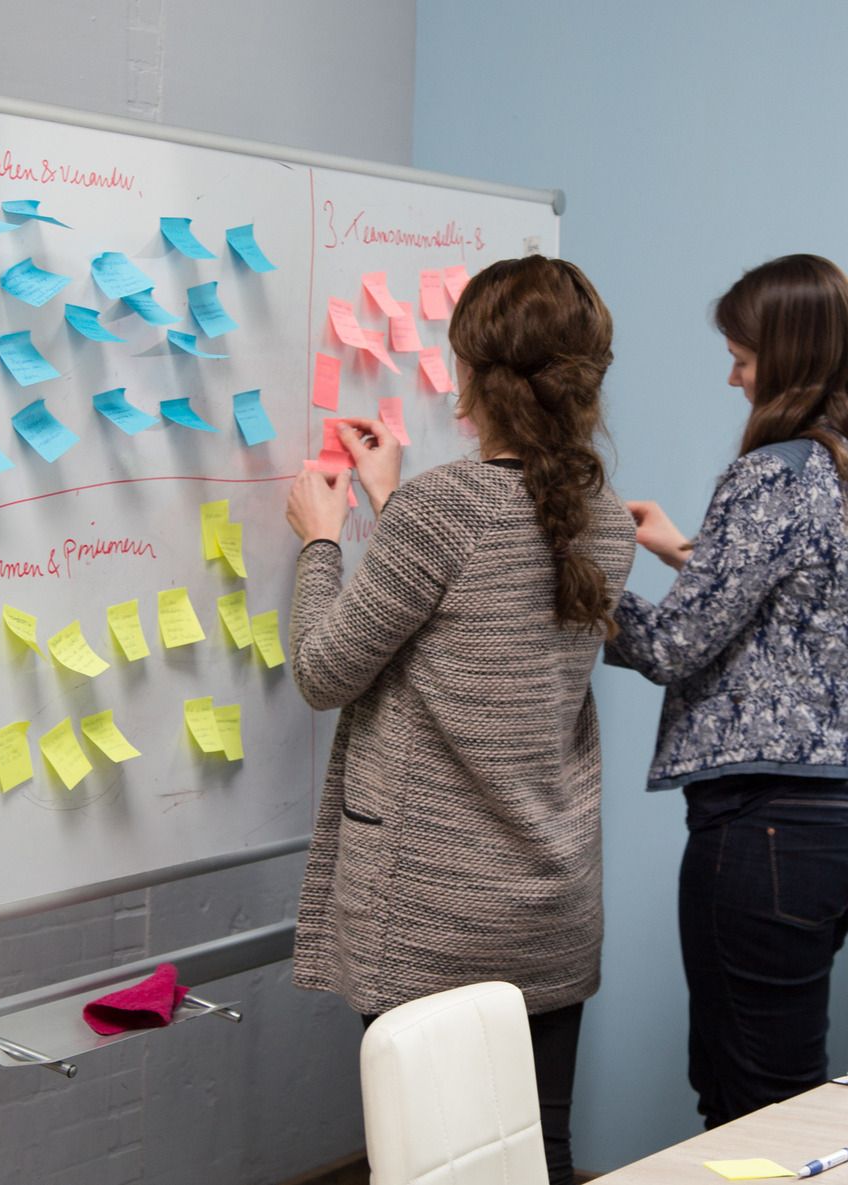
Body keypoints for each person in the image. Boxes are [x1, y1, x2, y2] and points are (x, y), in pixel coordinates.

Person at [283, 255, 636, 1185]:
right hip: (549, 905)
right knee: (538, 1153)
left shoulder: (445, 509)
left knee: (429, 1164)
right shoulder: (603, 516)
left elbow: (323, 670)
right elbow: (482, 607)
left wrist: (322, 541)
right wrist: (393, 502)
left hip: (433, 913)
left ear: (474, 376)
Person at [606, 254, 848, 1128]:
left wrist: (577, 582)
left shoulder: (771, 477)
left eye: (742, 355)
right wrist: (687, 553)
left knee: (756, 1107)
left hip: (771, 829)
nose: (733, 374)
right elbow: (814, 607)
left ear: (786, 356)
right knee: (765, 1085)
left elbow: (673, 644)